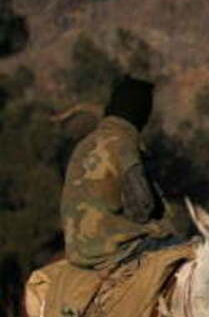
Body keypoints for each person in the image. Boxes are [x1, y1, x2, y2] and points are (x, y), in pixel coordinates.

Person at [61, 75, 188, 270]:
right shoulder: (124, 143)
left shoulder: (85, 144)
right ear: (140, 112)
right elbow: (142, 206)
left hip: (76, 249)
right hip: (112, 247)